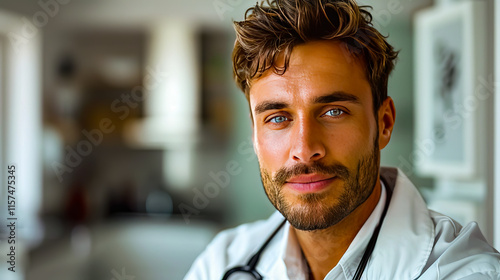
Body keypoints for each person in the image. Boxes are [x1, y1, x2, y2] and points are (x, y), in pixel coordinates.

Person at [185, 0, 500, 279]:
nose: (305, 150)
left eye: (333, 112)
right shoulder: (221, 262)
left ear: (384, 122)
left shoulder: (466, 272)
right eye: (278, 118)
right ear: (254, 135)